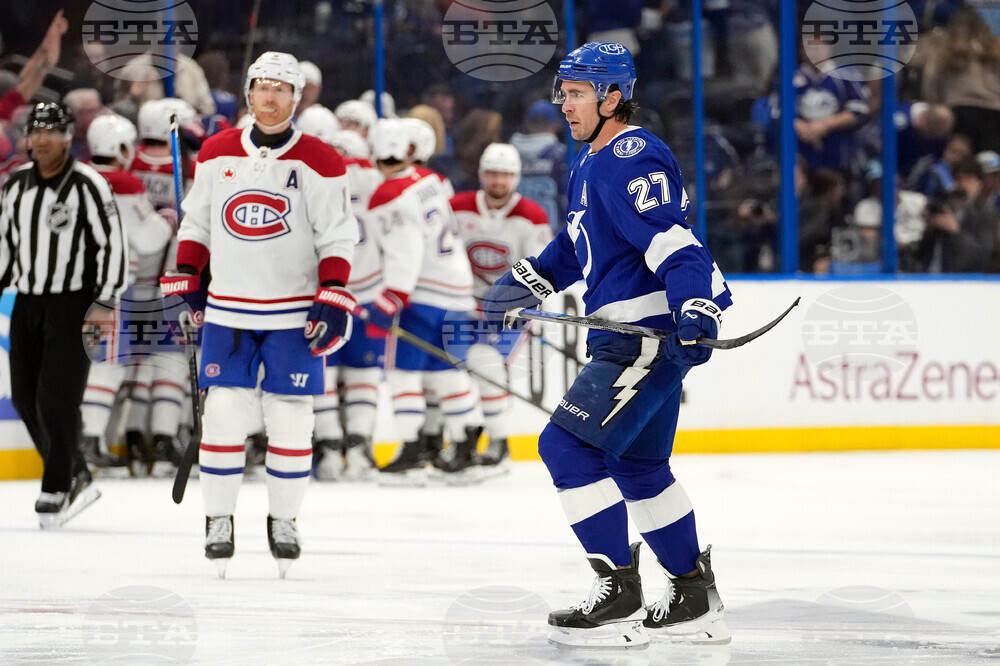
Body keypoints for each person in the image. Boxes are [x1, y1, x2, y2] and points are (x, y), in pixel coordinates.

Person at [482, 43, 733, 648]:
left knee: (564, 449)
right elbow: (577, 251)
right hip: (633, 338)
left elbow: (675, 243)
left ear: (611, 97)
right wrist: (527, 281)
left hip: (645, 338)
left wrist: (695, 304)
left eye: (574, 94)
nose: (562, 104)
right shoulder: (591, 162)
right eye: (561, 92)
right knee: (637, 466)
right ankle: (693, 595)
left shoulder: (629, 154)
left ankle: (619, 591)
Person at [161, 52, 358, 578]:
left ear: (297, 97)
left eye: (281, 89)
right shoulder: (217, 151)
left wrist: (334, 290)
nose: (270, 98)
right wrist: (187, 272)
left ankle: (284, 520)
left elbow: (337, 234)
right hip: (228, 309)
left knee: (293, 421)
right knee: (223, 416)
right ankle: (218, 518)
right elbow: (197, 222)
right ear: (248, 93)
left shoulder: (320, 158)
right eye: (262, 87)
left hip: (294, 314)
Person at [0, 102, 128, 528]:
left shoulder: (88, 184)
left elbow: (112, 245)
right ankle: (76, 471)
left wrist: (107, 301)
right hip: (28, 301)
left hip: (75, 303)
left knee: (58, 399)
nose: (41, 140)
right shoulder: (15, 184)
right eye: (35, 131)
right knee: (24, 397)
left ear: (68, 136)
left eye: (51, 132)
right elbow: (6, 243)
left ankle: (55, 484)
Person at [364, 118, 481, 485]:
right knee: (448, 373)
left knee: (402, 374)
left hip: (422, 296)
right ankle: (465, 448)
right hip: (458, 290)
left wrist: (391, 300)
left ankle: (412, 450)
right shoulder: (430, 181)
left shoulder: (388, 194)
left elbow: (405, 251)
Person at [450, 143, 551, 470]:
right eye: (493, 173)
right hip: (463, 304)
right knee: (447, 372)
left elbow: (543, 270)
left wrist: (515, 304)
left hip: (509, 310)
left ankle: (498, 441)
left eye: (505, 175)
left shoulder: (532, 215)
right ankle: (451, 439)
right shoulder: (458, 206)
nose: (498, 181)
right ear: (481, 174)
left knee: (487, 363)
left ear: (516, 178)